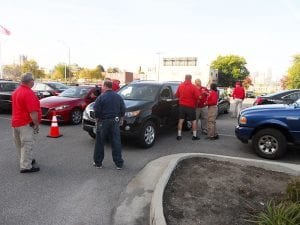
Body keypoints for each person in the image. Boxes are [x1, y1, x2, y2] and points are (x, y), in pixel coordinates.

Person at [11, 73, 41, 173]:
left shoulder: (16, 91)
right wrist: (36, 124)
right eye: (33, 80)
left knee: (20, 144)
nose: (34, 81)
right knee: (27, 144)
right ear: (30, 81)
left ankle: (25, 160)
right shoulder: (29, 93)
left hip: (16, 123)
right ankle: (26, 166)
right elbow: (33, 112)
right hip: (25, 123)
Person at [93, 80, 125, 169]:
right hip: (115, 121)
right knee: (116, 142)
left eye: (102, 86)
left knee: (100, 142)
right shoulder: (118, 97)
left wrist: (97, 120)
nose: (101, 87)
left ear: (105, 86)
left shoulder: (100, 97)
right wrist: (121, 119)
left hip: (103, 122)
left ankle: (98, 163)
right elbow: (122, 109)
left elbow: (96, 110)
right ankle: (119, 164)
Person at [175, 74, 201, 140]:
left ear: (185, 78)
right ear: (190, 79)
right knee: (194, 121)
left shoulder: (180, 86)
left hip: (182, 106)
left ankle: (179, 135)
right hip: (190, 106)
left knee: (181, 120)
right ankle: (194, 136)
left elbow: (177, 95)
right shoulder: (193, 87)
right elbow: (198, 97)